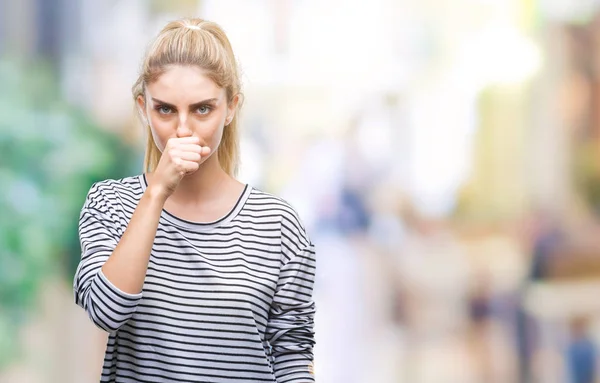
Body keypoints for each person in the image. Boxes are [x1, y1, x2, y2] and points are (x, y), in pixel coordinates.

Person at [73, 18, 316, 382]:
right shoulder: (110, 203)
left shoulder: (278, 224)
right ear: (143, 108)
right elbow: (106, 311)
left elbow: (293, 358)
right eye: (166, 109)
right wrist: (156, 193)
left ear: (231, 107)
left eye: (202, 109)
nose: (183, 129)